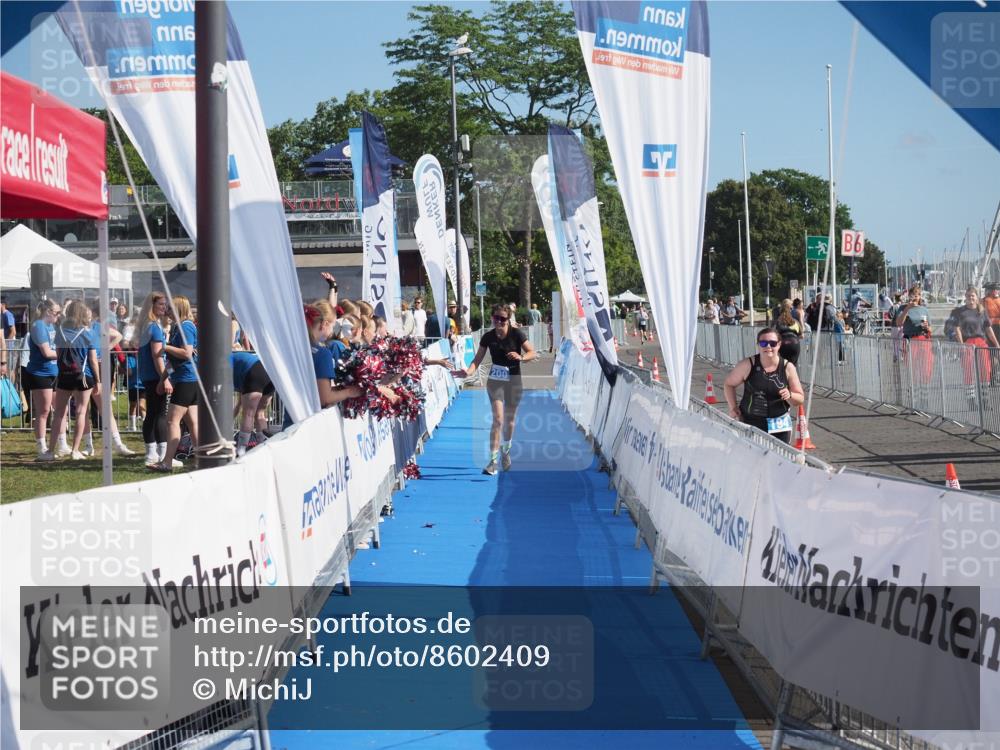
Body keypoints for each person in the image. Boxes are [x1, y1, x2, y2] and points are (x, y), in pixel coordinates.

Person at [453, 303, 537, 475]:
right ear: (492, 318)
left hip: (514, 380)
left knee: (510, 421)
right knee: (498, 420)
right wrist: (468, 372)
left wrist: (521, 357)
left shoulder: (517, 334)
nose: (499, 321)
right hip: (495, 381)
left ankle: (506, 450)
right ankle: (492, 461)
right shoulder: (488, 337)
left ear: (508, 319)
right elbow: (477, 359)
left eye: (502, 319)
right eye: (496, 318)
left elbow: (532, 352)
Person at [723, 327, 805, 445]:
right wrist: (733, 407)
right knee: (752, 455)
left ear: (779, 345)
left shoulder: (788, 367)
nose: (768, 347)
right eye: (763, 343)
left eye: (773, 343)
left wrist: (790, 394)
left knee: (778, 456)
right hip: (751, 422)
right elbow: (729, 384)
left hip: (779, 424)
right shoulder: (747, 364)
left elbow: (800, 399)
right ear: (758, 345)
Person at [38, 300, 99, 461]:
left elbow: (58, 355)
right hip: (83, 375)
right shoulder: (88, 333)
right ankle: (75, 450)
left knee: (59, 413)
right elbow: (93, 360)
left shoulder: (60, 332)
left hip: (65, 375)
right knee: (81, 412)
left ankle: (50, 451)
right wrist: (98, 380)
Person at [152, 295, 199, 472]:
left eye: (170, 308)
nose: (167, 311)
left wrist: (165, 347)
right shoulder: (180, 327)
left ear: (179, 308)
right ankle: (201, 460)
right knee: (193, 422)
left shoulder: (185, 326)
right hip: (187, 379)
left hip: (186, 380)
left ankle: (167, 462)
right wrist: (163, 378)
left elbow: (186, 353)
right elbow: (174, 362)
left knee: (172, 421)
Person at [81, 301, 134, 457]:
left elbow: (118, 335)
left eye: (90, 314)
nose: (89, 316)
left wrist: (106, 348)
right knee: (83, 410)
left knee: (106, 409)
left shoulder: (98, 326)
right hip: (83, 371)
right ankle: (88, 445)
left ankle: (118, 444)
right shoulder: (78, 329)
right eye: (86, 314)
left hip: (96, 368)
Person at [136, 292, 172, 465]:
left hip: (147, 375)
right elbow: (157, 356)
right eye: (161, 304)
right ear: (152, 306)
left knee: (152, 414)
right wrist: (164, 379)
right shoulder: (154, 328)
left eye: (165, 304)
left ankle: (152, 453)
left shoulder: (146, 326)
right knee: (159, 415)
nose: (165, 307)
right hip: (155, 376)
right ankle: (161, 454)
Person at [304, 304, 363, 409]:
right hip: (309, 414)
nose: (334, 330)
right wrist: (350, 392)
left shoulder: (302, 348)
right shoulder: (322, 353)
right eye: (333, 325)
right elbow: (325, 399)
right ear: (325, 324)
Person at [23, 300, 61, 457]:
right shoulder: (38, 326)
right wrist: (65, 354)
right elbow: (46, 352)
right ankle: (41, 446)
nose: (59, 316)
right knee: (44, 411)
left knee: (59, 409)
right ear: (48, 312)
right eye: (57, 313)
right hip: (40, 373)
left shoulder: (52, 326)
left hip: (54, 371)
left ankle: (62, 443)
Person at [949, 286, 999, 405]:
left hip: (981, 343)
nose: (970, 298)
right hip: (967, 343)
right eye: (968, 295)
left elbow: (988, 329)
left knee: (985, 371)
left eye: (972, 295)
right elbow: (957, 329)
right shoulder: (959, 311)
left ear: (976, 297)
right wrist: (961, 344)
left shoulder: (982, 311)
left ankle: (985, 400)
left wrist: (996, 343)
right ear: (965, 297)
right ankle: (971, 400)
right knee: (968, 371)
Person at [231, 350, 274, 457]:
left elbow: (238, 404)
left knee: (248, 414)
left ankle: (241, 450)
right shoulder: (234, 361)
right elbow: (239, 403)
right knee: (260, 414)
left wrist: (228, 420)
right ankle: (263, 447)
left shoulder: (222, 364)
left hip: (254, 371)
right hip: (269, 372)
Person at [895, 284, 934, 394]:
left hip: (923, 339)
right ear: (909, 296)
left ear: (920, 296)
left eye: (917, 295)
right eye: (913, 294)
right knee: (912, 368)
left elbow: (931, 328)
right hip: (910, 340)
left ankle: (924, 394)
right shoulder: (903, 308)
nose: (915, 297)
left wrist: (927, 327)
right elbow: (899, 323)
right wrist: (907, 308)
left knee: (925, 368)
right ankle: (914, 393)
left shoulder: (924, 310)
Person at [775, 299, 801, 366]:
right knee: (792, 367)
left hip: (783, 344)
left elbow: (773, 334)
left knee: (782, 366)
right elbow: (801, 335)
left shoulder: (777, 321)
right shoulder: (795, 321)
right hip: (794, 344)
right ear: (791, 309)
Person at [984, 282, 1000, 386]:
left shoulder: (985, 301)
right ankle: (993, 377)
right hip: (992, 328)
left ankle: (993, 377)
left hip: (992, 328)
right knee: (994, 353)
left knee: (993, 353)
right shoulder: (986, 301)